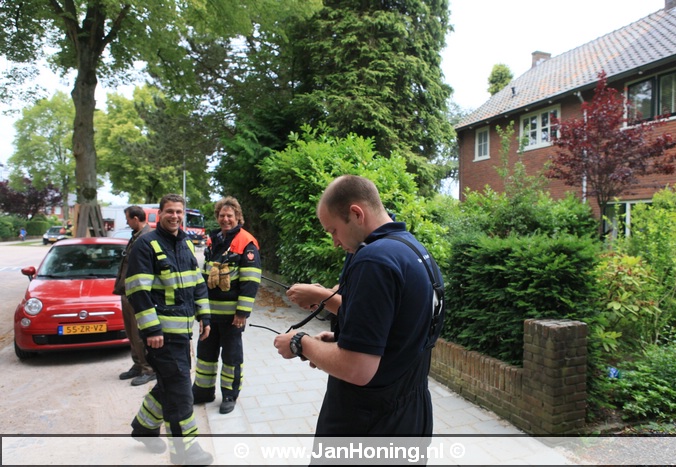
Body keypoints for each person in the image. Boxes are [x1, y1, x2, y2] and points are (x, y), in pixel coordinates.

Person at [273, 175, 445, 438]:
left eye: (333, 230)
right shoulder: (413, 249)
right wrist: (341, 340)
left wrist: (300, 343)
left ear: (356, 213)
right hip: (411, 416)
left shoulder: (374, 260)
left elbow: (358, 368)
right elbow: (399, 331)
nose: (334, 242)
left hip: (368, 424)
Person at [125, 193, 213, 466]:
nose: (175, 216)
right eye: (170, 211)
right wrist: (152, 330)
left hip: (182, 333)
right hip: (160, 336)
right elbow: (137, 291)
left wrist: (204, 315)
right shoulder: (146, 245)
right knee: (180, 390)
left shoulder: (186, 242)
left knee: (170, 384)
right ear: (160, 213)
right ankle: (185, 450)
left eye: (179, 212)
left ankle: (144, 426)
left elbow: (197, 282)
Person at [192, 197, 261, 414]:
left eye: (230, 215)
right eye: (222, 215)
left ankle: (229, 395)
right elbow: (204, 278)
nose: (225, 219)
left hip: (232, 317)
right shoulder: (213, 240)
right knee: (205, 355)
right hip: (210, 315)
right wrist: (201, 312)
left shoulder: (247, 243)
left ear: (238, 217)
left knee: (231, 358)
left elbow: (250, 282)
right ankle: (203, 391)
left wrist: (242, 313)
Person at [113, 205, 155, 386]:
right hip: (127, 292)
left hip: (138, 294)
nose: (127, 222)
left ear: (135, 219)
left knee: (139, 334)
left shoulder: (147, 237)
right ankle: (137, 364)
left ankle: (148, 369)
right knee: (131, 332)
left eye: (128, 219)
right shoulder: (136, 236)